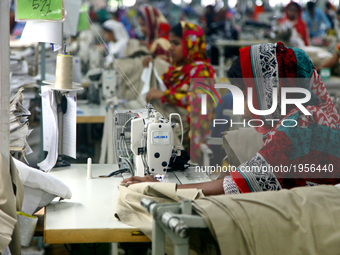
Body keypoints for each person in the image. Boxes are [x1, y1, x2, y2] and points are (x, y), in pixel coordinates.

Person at [122, 42, 340, 196]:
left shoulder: (298, 128)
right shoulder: (315, 116)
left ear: (269, 91)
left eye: (244, 94)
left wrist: (161, 188)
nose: (239, 105)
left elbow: (239, 185)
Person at [145, 21, 216, 163]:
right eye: (170, 43)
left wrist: (164, 95)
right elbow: (164, 82)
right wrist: (152, 63)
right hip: (178, 125)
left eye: (176, 43)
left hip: (190, 131)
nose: (171, 48)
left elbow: (195, 100)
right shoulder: (177, 69)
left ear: (191, 44)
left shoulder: (202, 70)